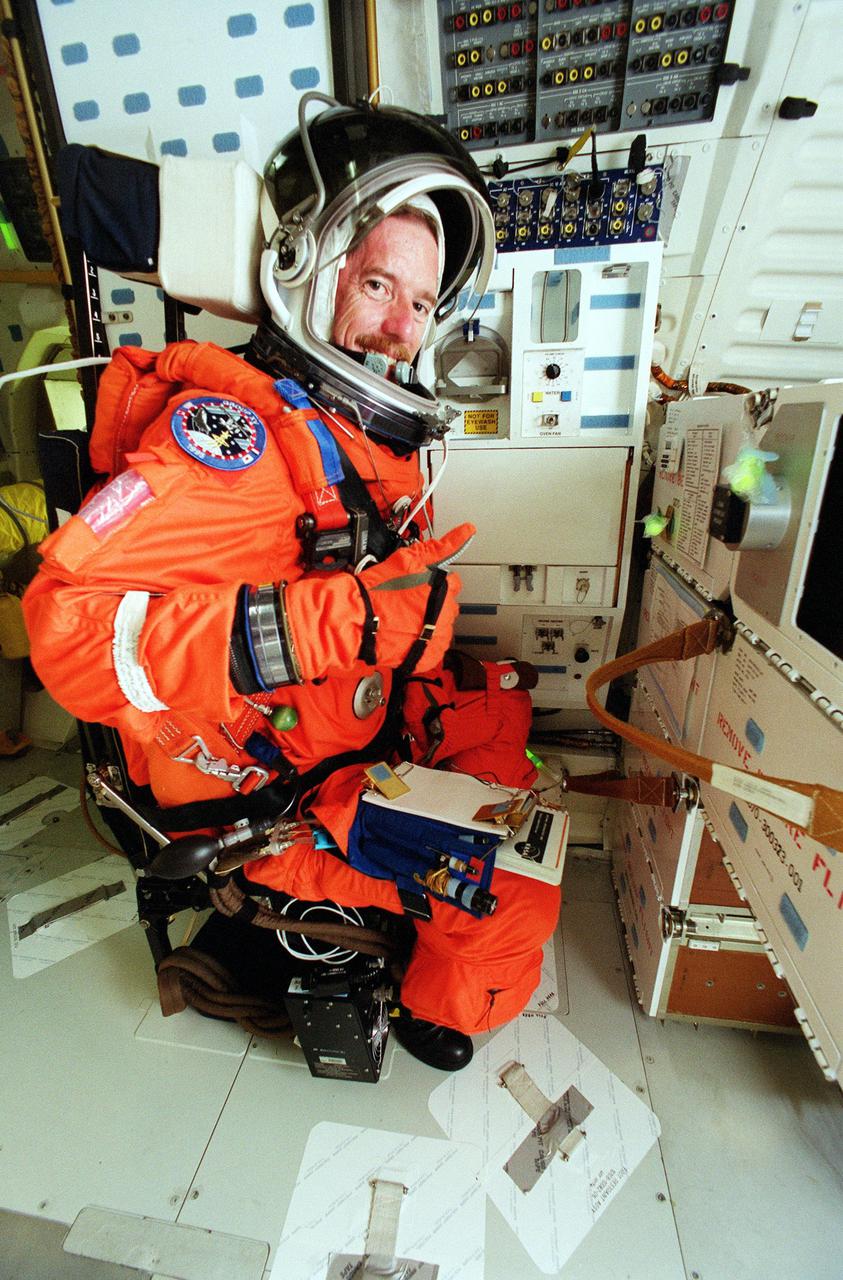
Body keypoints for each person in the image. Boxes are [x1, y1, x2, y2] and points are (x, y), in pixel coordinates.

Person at [23, 95, 561, 1071]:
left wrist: (388, 635)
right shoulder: (239, 449)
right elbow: (68, 627)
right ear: (307, 275)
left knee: (501, 712)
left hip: (350, 735)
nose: (403, 327)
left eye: (424, 304)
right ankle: (436, 1012)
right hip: (277, 807)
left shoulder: (349, 443)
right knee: (514, 883)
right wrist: (332, 625)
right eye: (378, 285)